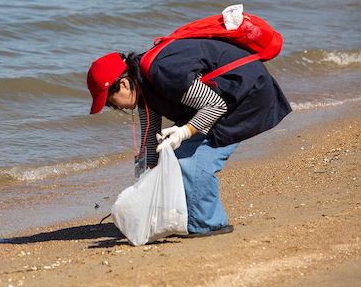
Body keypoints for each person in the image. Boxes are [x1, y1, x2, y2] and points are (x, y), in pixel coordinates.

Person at [87, 38, 291, 237]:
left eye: (110, 102)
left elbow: (216, 105)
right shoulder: (140, 80)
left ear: (123, 84)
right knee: (173, 153)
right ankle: (189, 214)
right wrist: (146, 176)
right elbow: (150, 132)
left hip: (245, 92)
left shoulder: (163, 72)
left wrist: (185, 131)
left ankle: (206, 223)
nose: (115, 108)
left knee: (188, 158)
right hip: (222, 97)